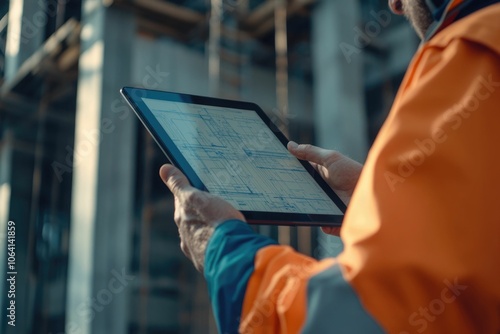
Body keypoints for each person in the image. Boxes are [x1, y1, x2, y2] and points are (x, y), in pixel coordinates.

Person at [159, 0, 500, 332]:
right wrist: (377, 197)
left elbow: (351, 314)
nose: (396, 5)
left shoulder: (475, 52)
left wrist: (223, 247)